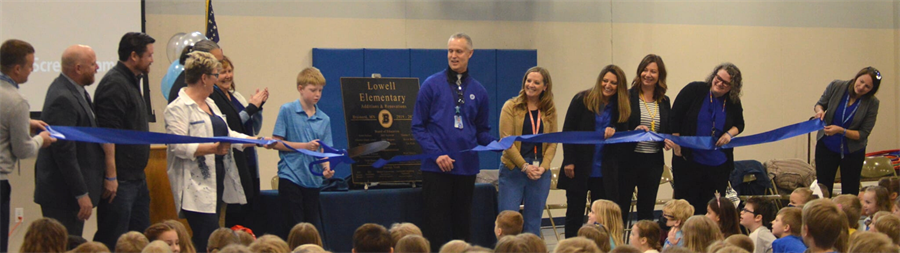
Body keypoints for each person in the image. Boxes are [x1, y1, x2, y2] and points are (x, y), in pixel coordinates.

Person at [165, 51, 257, 251]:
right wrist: (212, 149)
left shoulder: (211, 104)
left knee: (209, 238)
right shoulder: (178, 108)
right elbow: (178, 146)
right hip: (194, 186)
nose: (218, 80)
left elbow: (228, 133)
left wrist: (255, 141)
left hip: (218, 182)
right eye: (216, 75)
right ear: (204, 78)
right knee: (209, 236)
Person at [410, 33, 493, 250]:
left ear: (470, 54)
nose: (453, 56)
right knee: (435, 227)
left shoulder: (479, 91)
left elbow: (482, 132)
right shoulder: (431, 85)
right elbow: (418, 126)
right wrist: (437, 154)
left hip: (466, 170)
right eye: (450, 51)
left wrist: (499, 143)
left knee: (462, 226)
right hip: (436, 170)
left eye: (459, 51)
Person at [92, 32, 156, 249]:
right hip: (120, 181)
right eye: (149, 55)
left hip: (136, 178)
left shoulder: (132, 81)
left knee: (140, 240)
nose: (152, 60)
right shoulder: (115, 84)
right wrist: (111, 176)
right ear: (134, 56)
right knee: (114, 239)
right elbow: (107, 134)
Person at [35, 44, 103, 236]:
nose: (97, 68)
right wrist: (81, 193)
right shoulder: (63, 98)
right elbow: (64, 152)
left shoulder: (76, 90)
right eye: (93, 64)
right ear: (78, 68)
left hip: (68, 194)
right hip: (63, 196)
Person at [559, 64, 630, 238]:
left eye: (613, 83)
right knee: (574, 214)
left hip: (604, 171)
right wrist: (569, 161)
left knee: (601, 218)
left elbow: (625, 135)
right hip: (579, 167)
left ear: (619, 86)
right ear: (599, 81)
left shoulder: (621, 106)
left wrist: (615, 131)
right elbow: (568, 131)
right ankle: (571, 248)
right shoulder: (581, 100)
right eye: (605, 81)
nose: (608, 85)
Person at [0, 39, 55, 252]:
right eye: (30, 66)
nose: (32, 70)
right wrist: (42, 139)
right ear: (16, 69)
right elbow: (23, 150)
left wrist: (26, 122)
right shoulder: (17, 101)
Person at [669, 63, 745, 213]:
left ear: (732, 87)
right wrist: (677, 145)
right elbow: (674, 118)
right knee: (686, 210)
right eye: (718, 78)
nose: (719, 83)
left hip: (718, 166)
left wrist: (729, 134)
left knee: (713, 210)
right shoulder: (694, 90)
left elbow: (740, 124)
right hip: (688, 162)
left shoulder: (732, 100)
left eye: (725, 82)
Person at [271, 67, 333, 237]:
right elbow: (276, 143)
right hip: (290, 176)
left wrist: (327, 168)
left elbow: (324, 150)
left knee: (309, 230)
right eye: (313, 90)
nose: (317, 94)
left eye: (320, 90)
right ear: (300, 88)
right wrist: (304, 146)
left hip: (313, 180)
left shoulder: (324, 119)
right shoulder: (287, 110)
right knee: (294, 229)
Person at [497, 66, 558, 236]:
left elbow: (553, 142)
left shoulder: (549, 110)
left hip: (539, 172)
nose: (531, 85)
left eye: (536, 82)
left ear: (545, 87)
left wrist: (544, 167)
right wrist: (524, 166)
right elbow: (506, 141)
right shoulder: (511, 106)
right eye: (528, 81)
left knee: (533, 223)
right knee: (508, 222)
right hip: (513, 169)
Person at [210, 56, 268, 227]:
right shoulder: (213, 99)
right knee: (234, 214)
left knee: (250, 211)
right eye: (222, 72)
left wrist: (258, 109)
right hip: (231, 159)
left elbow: (253, 128)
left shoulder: (237, 97)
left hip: (249, 157)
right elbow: (230, 126)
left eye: (229, 71)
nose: (227, 76)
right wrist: (251, 108)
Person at [617, 54, 673, 222]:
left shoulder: (664, 101)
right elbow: (618, 126)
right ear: (639, 72)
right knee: (621, 208)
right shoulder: (627, 96)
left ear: (659, 76)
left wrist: (667, 140)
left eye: (653, 71)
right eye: (645, 70)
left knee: (646, 210)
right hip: (629, 160)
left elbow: (666, 128)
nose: (648, 75)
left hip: (653, 162)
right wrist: (634, 131)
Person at [813, 67, 881, 196]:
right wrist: (820, 111)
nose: (861, 87)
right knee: (823, 188)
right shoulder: (836, 86)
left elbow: (862, 134)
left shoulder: (872, 103)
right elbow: (820, 104)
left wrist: (841, 131)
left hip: (852, 151)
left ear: (872, 90)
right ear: (856, 77)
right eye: (860, 82)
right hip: (827, 145)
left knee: (850, 190)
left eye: (867, 87)